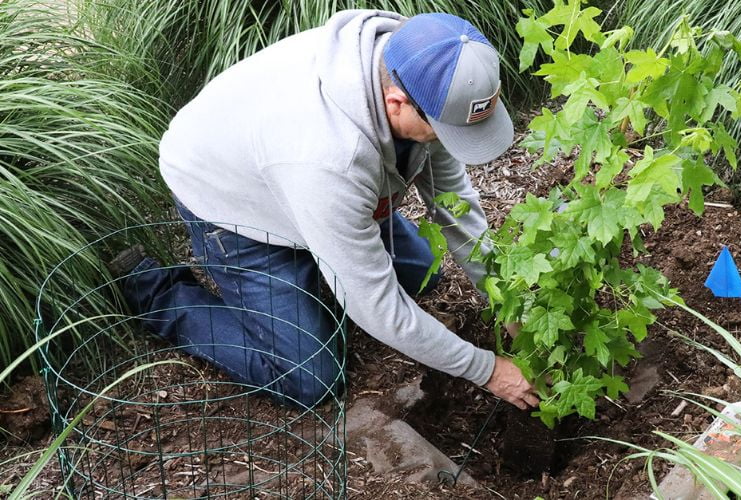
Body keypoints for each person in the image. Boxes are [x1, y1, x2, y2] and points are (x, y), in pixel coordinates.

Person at [113, 11, 538, 411]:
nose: (448, 142)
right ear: (395, 103)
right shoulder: (329, 158)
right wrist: (486, 370)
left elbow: (457, 209)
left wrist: (506, 305)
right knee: (309, 379)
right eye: (443, 133)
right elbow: (376, 306)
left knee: (424, 270)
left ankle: (327, 251)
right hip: (232, 202)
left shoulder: (425, 67)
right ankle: (152, 289)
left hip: (299, 180)